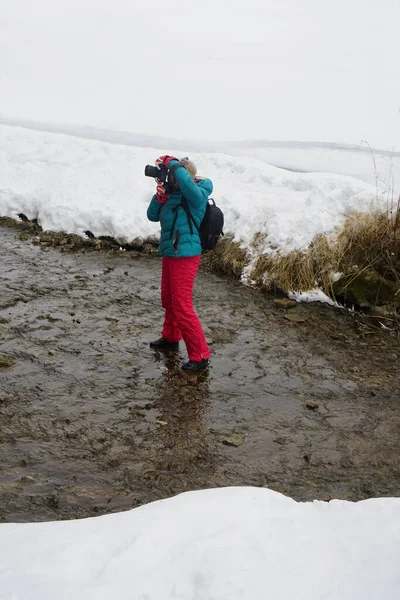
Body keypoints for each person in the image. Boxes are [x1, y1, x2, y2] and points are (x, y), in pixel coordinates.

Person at [147, 155, 211, 372]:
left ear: (185, 176)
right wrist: (160, 196)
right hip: (170, 252)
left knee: (183, 305)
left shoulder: (197, 194)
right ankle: (171, 337)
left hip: (186, 254)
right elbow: (151, 216)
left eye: (175, 176)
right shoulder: (173, 194)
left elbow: (187, 185)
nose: (172, 179)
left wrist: (173, 164)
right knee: (168, 298)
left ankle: (200, 356)